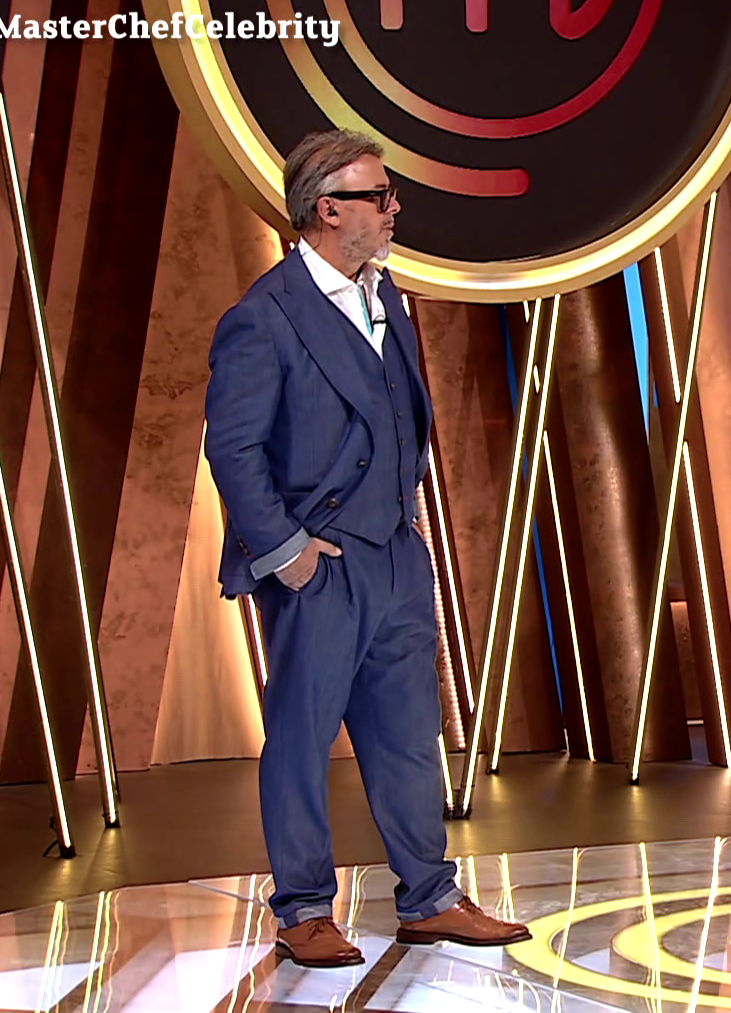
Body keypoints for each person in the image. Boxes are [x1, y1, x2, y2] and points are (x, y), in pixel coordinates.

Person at [204, 129, 528, 967]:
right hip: (320, 564)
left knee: (409, 733)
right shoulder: (264, 316)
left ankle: (430, 897)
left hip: (394, 551)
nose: (393, 209)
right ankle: (305, 908)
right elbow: (233, 449)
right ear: (327, 209)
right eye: (378, 196)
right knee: (302, 737)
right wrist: (288, 552)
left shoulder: (388, 299)